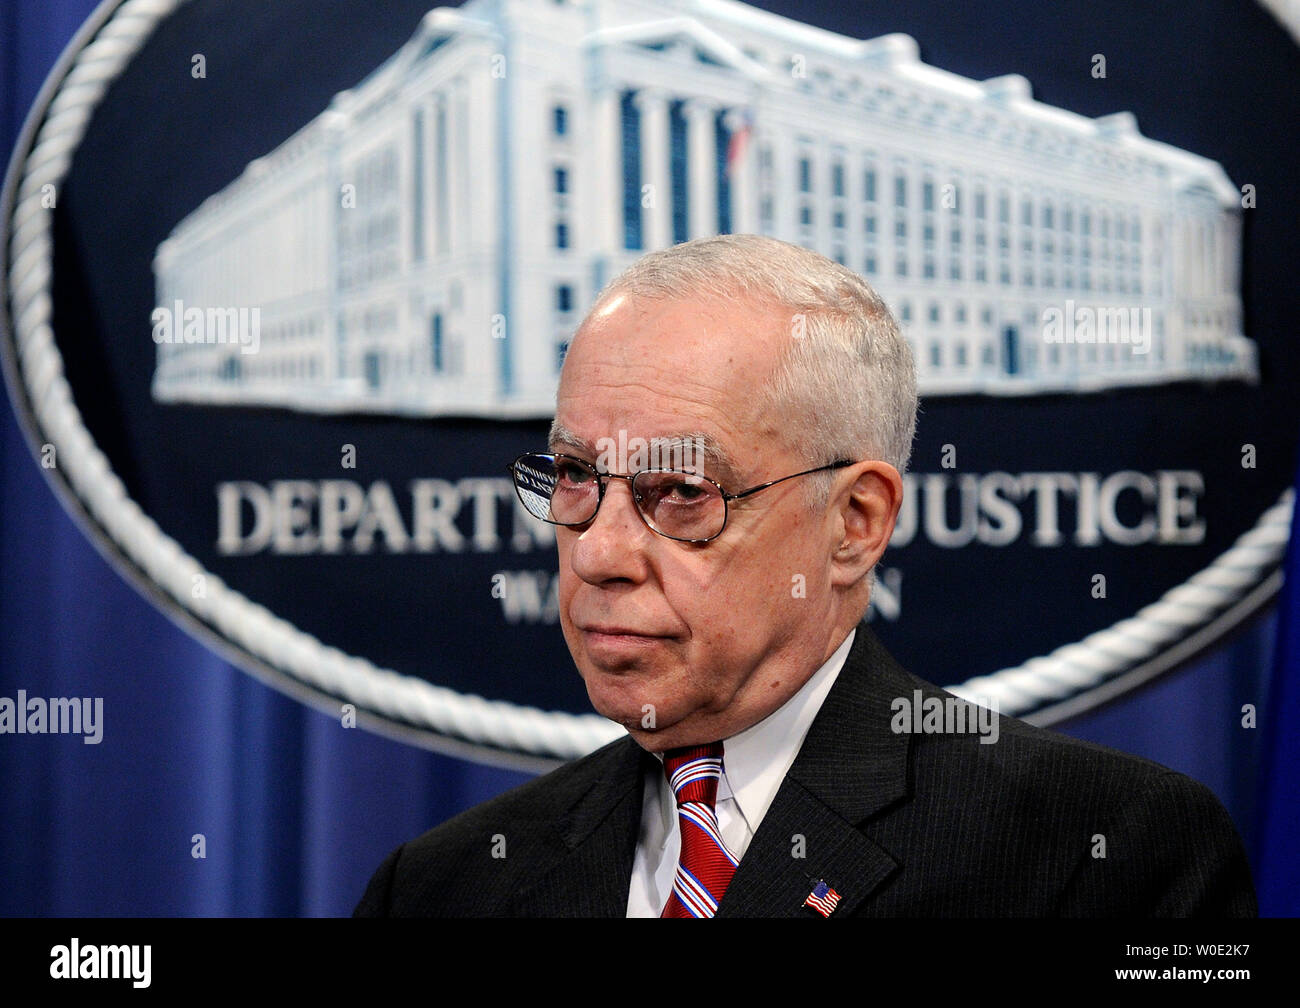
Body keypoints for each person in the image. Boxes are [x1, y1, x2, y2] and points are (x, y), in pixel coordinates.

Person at [354, 234, 1256, 917]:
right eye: (579, 477)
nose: (597, 553)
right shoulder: (441, 888)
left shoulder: (1106, 857)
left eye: (679, 492)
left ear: (854, 524)